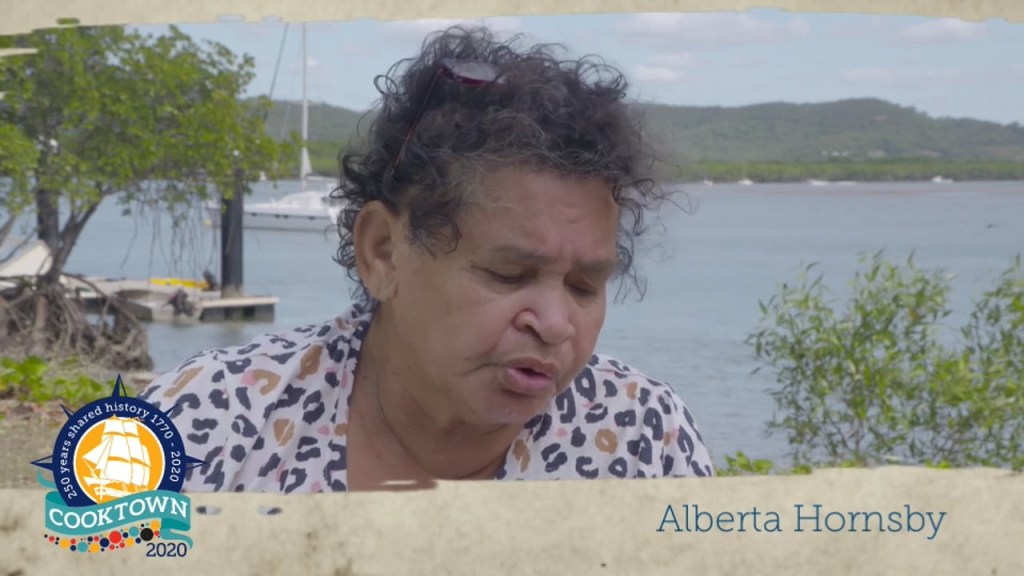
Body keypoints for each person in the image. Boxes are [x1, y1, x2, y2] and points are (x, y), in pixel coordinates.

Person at [138, 25, 715, 493]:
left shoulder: (641, 438)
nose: (556, 324)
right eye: (508, 274)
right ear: (383, 252)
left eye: (584, 286)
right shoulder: (207, 421)